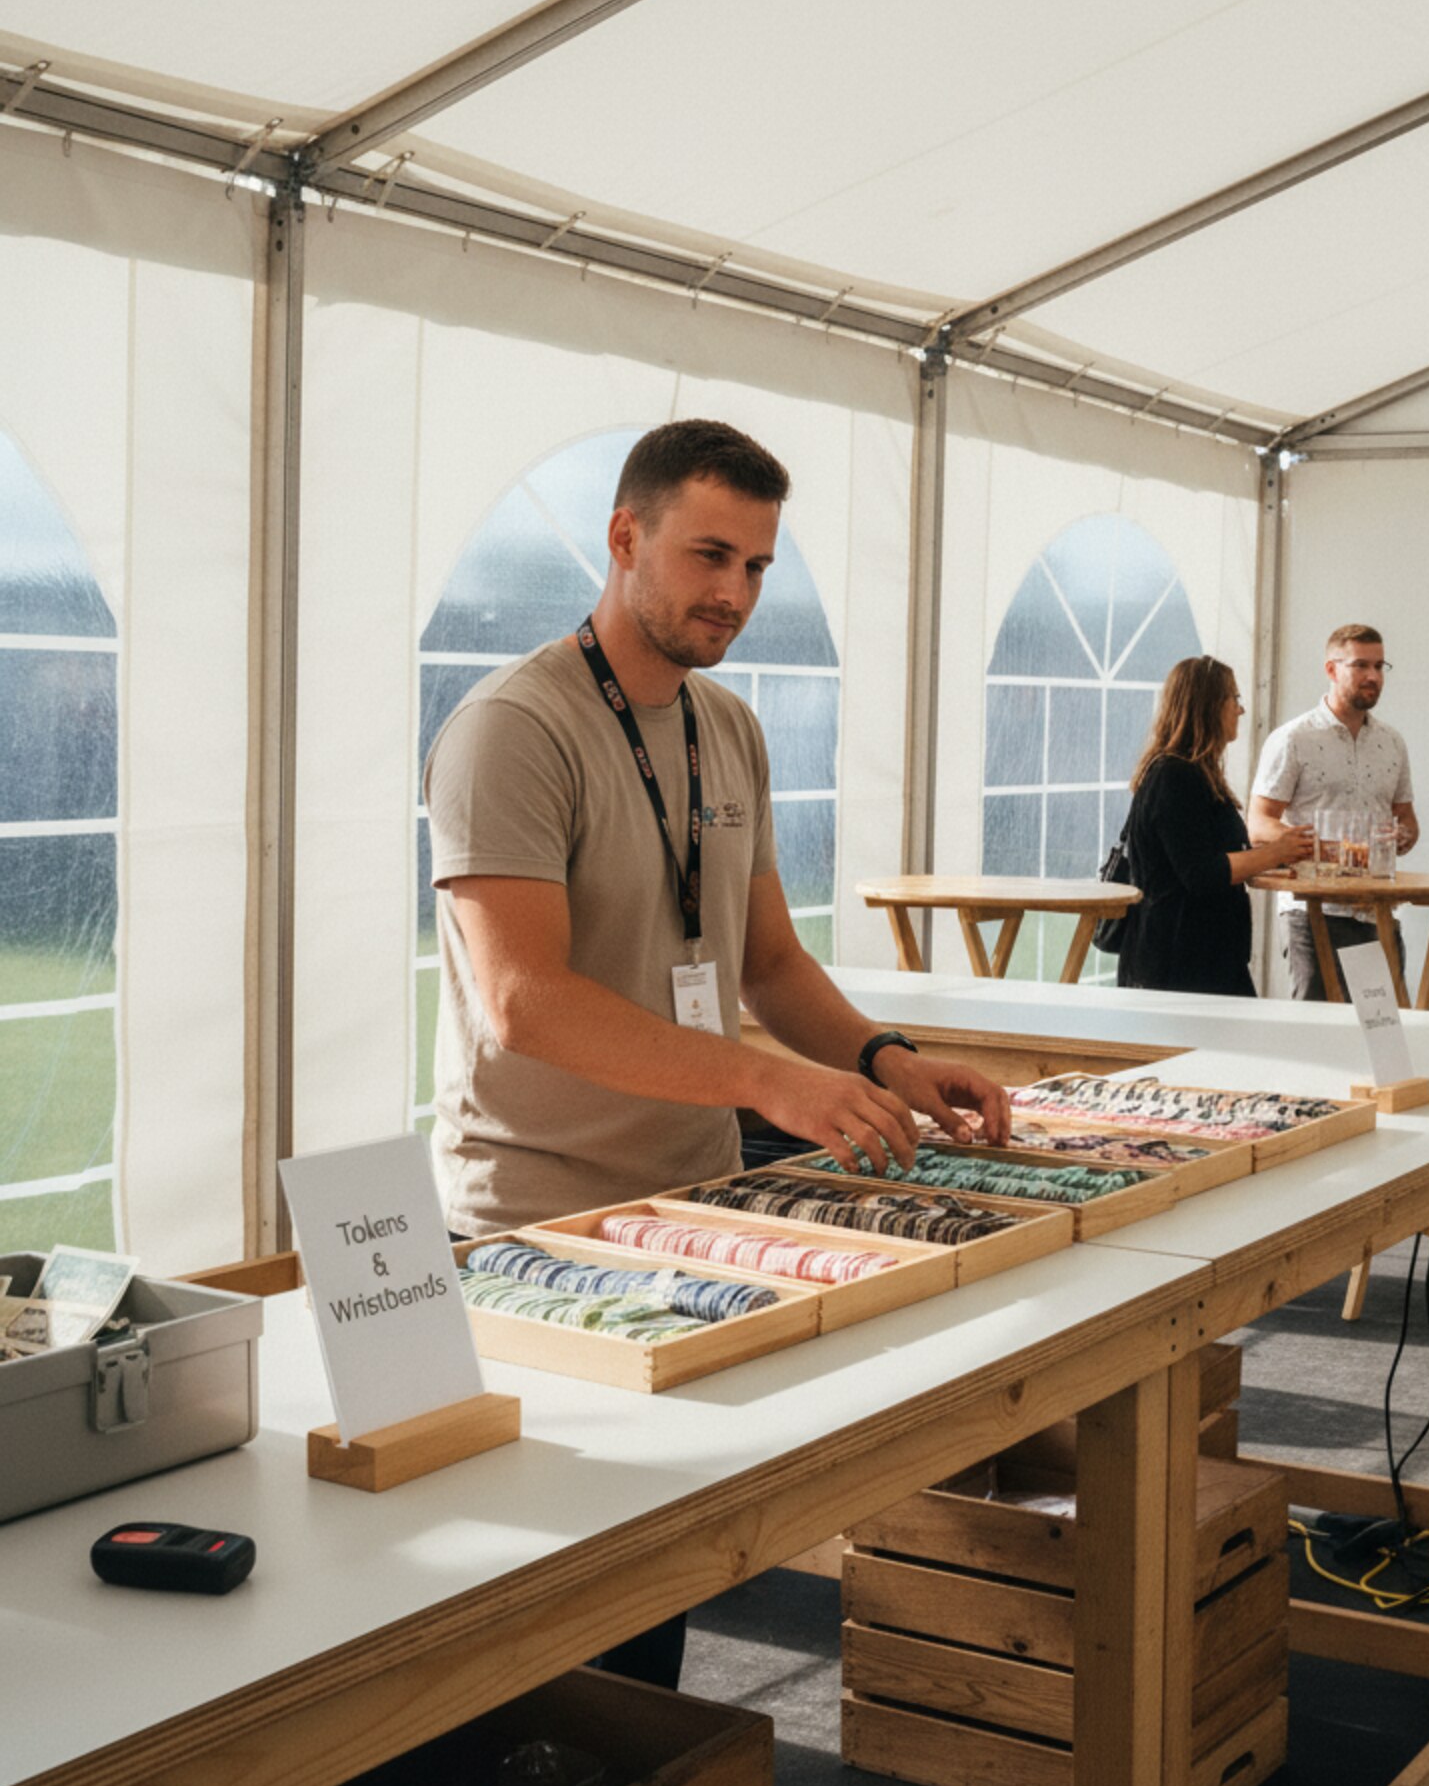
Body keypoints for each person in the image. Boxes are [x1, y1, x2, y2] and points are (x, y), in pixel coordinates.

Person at [424, 421, 1011, 1685]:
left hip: (690, 1207)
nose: (734, 593)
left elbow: (767, 962)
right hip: (532, 1222)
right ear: (622, 537)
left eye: (755, 565)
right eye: (708, 555)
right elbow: (524, 1000)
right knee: (539, 1608)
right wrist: (763, 1078)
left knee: (654, 1584)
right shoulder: (510, 728)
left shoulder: (728, 727)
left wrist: (886, 1057)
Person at [1116, 656, 1314, 997]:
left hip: (1208, 958)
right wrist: (1274, 853)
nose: (1241, 709)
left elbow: (1213, 857)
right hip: (1178, 966)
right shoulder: (1174, 776)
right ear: (1207, 705)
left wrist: (1279, 855)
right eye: (1233, 698)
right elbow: (1201, 873)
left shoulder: (1195, 773)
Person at [1250, 624, 1419, 1000]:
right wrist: (1319, 848)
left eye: (1379, 666)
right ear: (1331, 669)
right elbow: (1258, 823)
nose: (1373, 676)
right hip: (1314, 910)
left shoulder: (1392, 742)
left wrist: (1405, 834)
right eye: (1360, 665)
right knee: (1318, 1028)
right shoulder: (1293, 738)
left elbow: (1406, 818)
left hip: (1377, 908)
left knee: (1381, 1028)